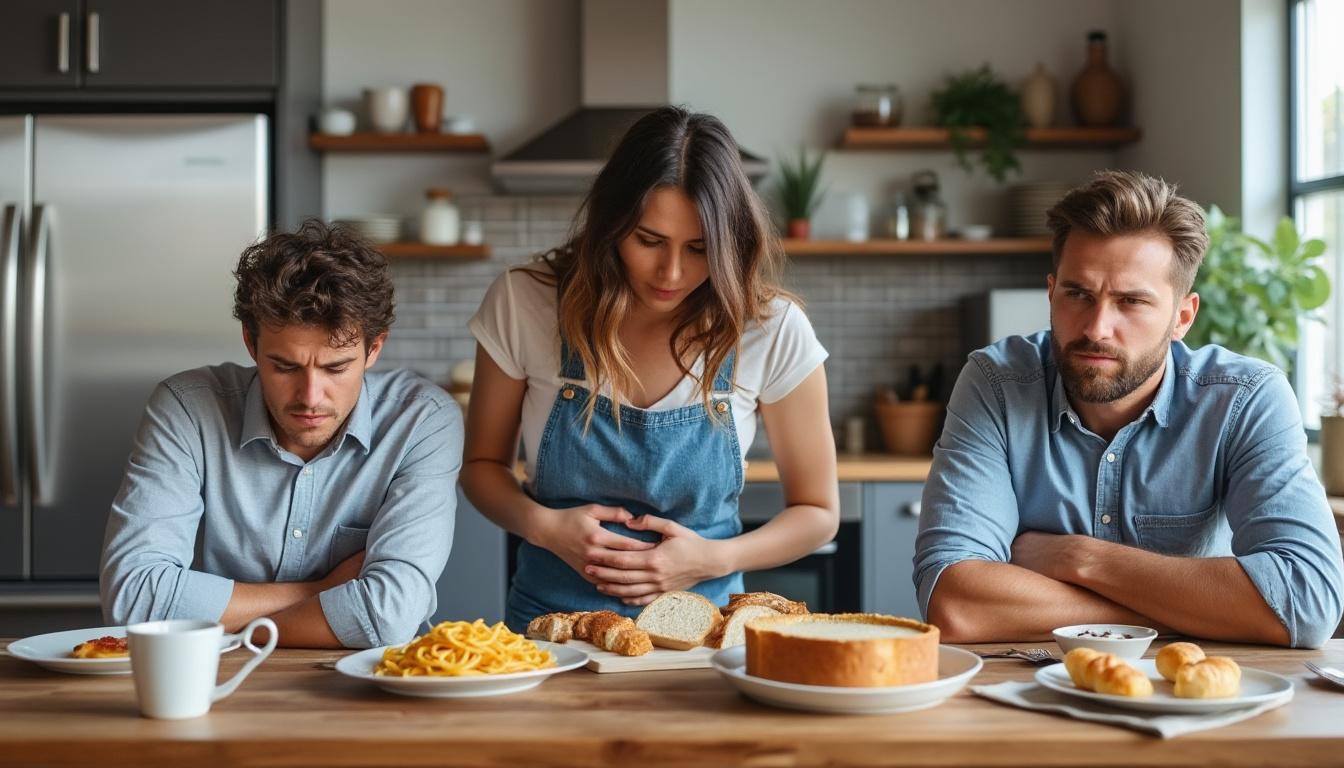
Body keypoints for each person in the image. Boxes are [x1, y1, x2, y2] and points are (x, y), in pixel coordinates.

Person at [915, 170, 1344, 648]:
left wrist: (1082, 558)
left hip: (1200, 699)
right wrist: (1194, 611)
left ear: (1183, 317)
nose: (1097, 327)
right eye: (1078, 294)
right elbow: (954, 602)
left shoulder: (1245, 399)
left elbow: (1306, 601)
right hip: (1028, 694)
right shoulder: (997, 383)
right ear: (1051, 293)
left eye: (1132, 301)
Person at [463, 106, 839, 630]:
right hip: (550, 633)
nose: (672, 272)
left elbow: (818, 514)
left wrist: (715, 559)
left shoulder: (771, 328)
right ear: (611, 224)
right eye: (649, 241)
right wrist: (545, 527)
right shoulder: (525, 301)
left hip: (704, 636)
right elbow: (481, 467)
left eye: (700, 249)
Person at [101, 221, 462, 649]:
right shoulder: (187, 408)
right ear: (251, 343)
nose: (311, 397)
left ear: (374, 349)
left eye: (336, 368)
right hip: (209, 684)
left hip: (366, 693)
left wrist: (225, 618)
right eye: (285, 367)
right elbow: (134, 600)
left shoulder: (422, 420)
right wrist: (323, 590)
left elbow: (386, 618)